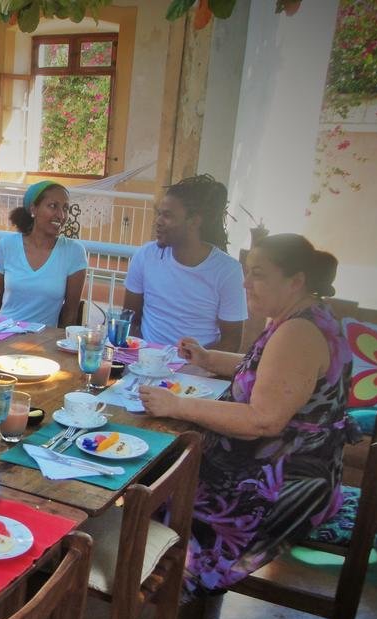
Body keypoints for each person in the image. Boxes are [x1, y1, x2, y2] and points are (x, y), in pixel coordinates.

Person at [139, 234, 357, 600]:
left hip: (282, 483)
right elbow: (269, 371)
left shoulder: (299, 332)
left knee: (157, 483)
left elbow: (262, 420)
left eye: (258, 274)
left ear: (296, 281)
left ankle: (151, 579)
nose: (245, 284)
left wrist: (176, 405)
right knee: (163, 466)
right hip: (293, 465)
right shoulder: (303, 316)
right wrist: (209, 359)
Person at [123, 174, 246, 351]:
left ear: (194, 222)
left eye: (167, 215)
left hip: (198, 366)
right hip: (144, 361)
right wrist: (141, 356)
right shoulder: (145, 255)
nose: (158, 221)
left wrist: (194, 363)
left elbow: (231, 342)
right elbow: (130, 320)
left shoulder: (228, 271)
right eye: (159, 214)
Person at [0, 181, 87, 328]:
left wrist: (59, 342)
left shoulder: (74, 252)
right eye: (53, 206)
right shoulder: (6, 245)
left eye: (65, 208)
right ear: (33, 209)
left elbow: (70, 314)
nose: (61, 215)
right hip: (3, 333)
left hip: (44, 339)